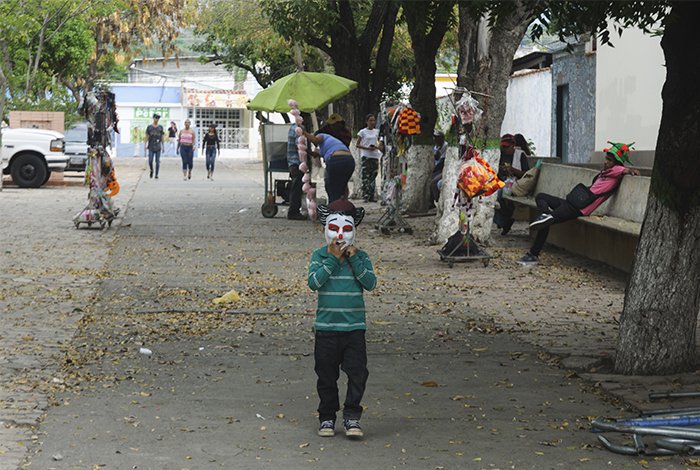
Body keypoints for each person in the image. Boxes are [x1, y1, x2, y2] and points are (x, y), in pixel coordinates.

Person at [308, 199, 377, 439]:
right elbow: (313, 283)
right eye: (334, 228)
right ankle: (327, 416)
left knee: (358, 373)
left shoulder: (362, 257)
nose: (339, 235)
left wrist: (354, 259)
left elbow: (370, 283)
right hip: (326, 329)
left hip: (354, 329)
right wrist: (332, 260)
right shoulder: (319, 256)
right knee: (326, 376)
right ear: (325, 228)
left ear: (354, 230)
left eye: (346, 229)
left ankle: (352, 416)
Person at [519, 141, 640, 266]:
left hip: (579, 209)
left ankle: (533, 254)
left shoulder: (615, 171)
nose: (606, 162)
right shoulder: (605, 174)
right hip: (572, 203)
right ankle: (545, 215)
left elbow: (623, 170)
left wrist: (630, 171)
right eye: (606, 159)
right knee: (541, 197)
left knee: (546, 222)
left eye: (609, 160)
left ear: (616, 163)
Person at [303, 125, 356, 204]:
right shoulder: (331, 144)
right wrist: (306, 150)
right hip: (349, 162)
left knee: (331, 185)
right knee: (342, 186)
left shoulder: (322, 135)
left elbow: (315, 139)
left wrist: (303, 132)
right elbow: (315, 154)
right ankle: (344, 206)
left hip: (336, 160)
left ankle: (333, 207)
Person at [494, 133, 530, 235]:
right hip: (499, 182)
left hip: (515, 184)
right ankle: (506, 221)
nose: (505, 149)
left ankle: (504, 221)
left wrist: (513, 170)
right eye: (503, 147)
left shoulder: (520, 155)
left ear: (513, 145)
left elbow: (526, 174)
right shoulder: (500, 154)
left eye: (507, 147)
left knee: (500, 194)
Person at [356, 114, 384, 202]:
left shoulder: (377, 131)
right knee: (365, 176)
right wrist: (368, 148)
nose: (372, 122)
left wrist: (378, 146)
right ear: (367, 122)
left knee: (373, 176)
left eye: (374, 120)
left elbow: (380, 142)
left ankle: (372, 196)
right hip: (366, 156)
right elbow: (357, 144)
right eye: (370, 120)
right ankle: (366, 195)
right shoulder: (362, 132)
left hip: (375, 156)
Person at [287, 122, 306, 220]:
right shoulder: (298, 130)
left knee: (296, 187)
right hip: (297, 163)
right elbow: (300, 147)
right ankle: (293, 212)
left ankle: (294, 210)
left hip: (293, 162)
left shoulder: (293, 127)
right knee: (297, 188)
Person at [430, 130, 449, 206]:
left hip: (443, 169)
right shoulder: (436, 147)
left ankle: (437, 201)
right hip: (437, 169)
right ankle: (431, 202)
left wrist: (432, 170)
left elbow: (442, 162)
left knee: (433, 182)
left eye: (438, 138)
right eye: (435, 138)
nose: (436, 139)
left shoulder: (445, 146)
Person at [145, 114, 165, 179]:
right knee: (150, 160)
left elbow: (162, 137)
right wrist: (145, 145)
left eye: (158, 118)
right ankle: (151, 170)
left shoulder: (160, 127)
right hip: (151, 146)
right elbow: (147, 136)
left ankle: (156, 174)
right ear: (153, 118)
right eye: (156, 118)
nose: (157, 119)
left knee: (157, 161)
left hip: (158, 146)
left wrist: (163, 146)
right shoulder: (149, 127)